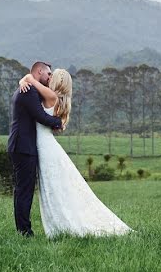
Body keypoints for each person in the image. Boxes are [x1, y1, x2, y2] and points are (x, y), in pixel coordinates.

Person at [18, 68, 132, 238]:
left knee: (52, 187)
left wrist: (24, 80)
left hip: (45, 148)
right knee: (54, 186)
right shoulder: (58, 100)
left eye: (51, 76)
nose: (48, 78)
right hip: (46, 146)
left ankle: (59, 227)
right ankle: (58, 225)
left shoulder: (50, 96)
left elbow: (30, 79)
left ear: (56, 82)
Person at [7, 61, 62, 237]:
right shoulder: (29, 91)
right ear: (39, 72)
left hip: (22, 145)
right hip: (23, 146)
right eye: (48, 74)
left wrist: (24, 79)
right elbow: (40, 116)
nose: (50, 77)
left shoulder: (29, 87)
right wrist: (59, 123)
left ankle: (23, 229)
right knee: (24, 190)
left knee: (23, 189)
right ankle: (24, 231)